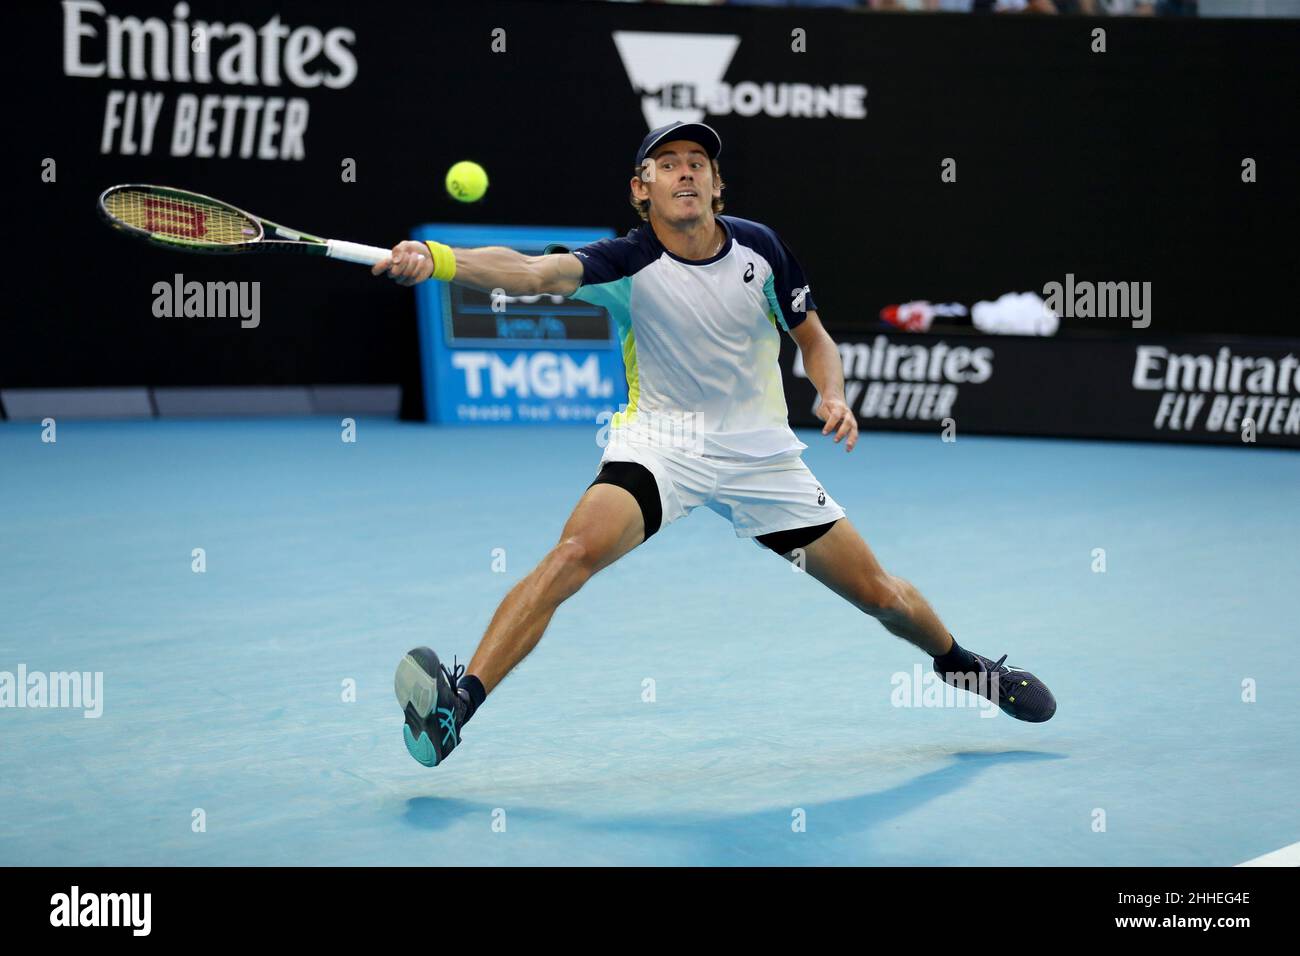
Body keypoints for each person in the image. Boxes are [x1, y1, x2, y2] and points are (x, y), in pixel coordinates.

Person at [375, 121, 1056, 768]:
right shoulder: (622, 262)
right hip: (662, 446)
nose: (685, 173)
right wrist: (435, 260)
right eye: (667, 165)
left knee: (879, 595)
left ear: (716, 184)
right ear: (642, 190)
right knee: (572, 555)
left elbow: (812, 338)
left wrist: (833, 393)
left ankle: (963, 664)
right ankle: (457, 709)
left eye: (697, 164)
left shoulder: (761, 250)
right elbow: (527, 274)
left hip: (760, 457)